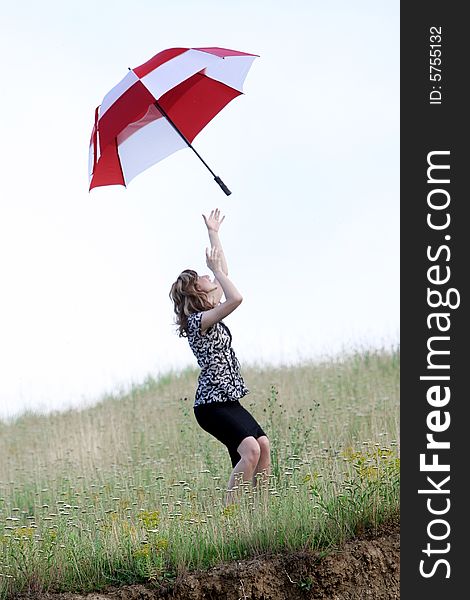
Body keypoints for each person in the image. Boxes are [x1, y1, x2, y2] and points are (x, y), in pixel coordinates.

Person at [169, 209, 271, 506]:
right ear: (196, 292)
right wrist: (217, 271)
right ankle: (229, 516)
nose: (208, 276)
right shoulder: (197, 322)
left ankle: (261, 514)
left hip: (227, 399)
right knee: (250, 451)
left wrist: (213, 232)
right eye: (201, 277)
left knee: (262, 445)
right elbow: (236, 297)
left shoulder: (208, 311)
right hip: (211, 406)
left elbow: (222, 274)